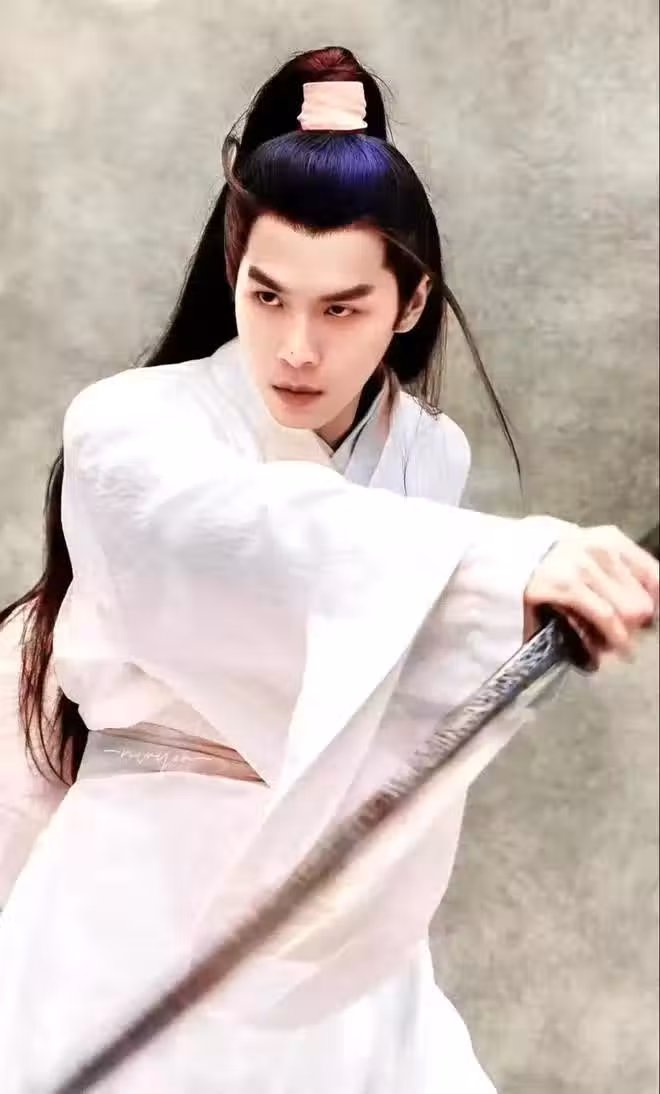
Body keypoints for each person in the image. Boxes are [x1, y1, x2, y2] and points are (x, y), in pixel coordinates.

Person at [0, 46, 656, 1094]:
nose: (296, 347)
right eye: (268, 296)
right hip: (134, 900)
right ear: (234, 272)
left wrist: (499, 591)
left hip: (324, 917)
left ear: (411, 300)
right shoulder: (127, 429)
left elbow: (384, 674)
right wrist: (502, 567)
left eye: (342, 307)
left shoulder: (428, 453)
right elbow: (263, 537)